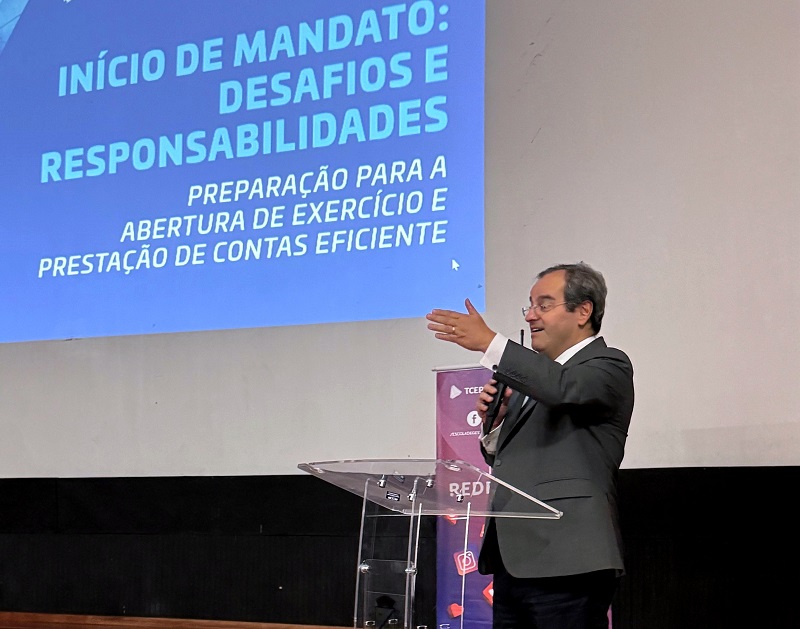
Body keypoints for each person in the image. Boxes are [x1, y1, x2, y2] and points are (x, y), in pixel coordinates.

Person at [426, 262, 634, 629]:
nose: (531, 316)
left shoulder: (608, 365)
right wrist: (498, 423)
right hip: (515, 561)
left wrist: (490, 343)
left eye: (544, 304)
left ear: (583, 310)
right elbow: (502, 457)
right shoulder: (532, 381)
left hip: (569, 558)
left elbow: (563, 388)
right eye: (529, 305)